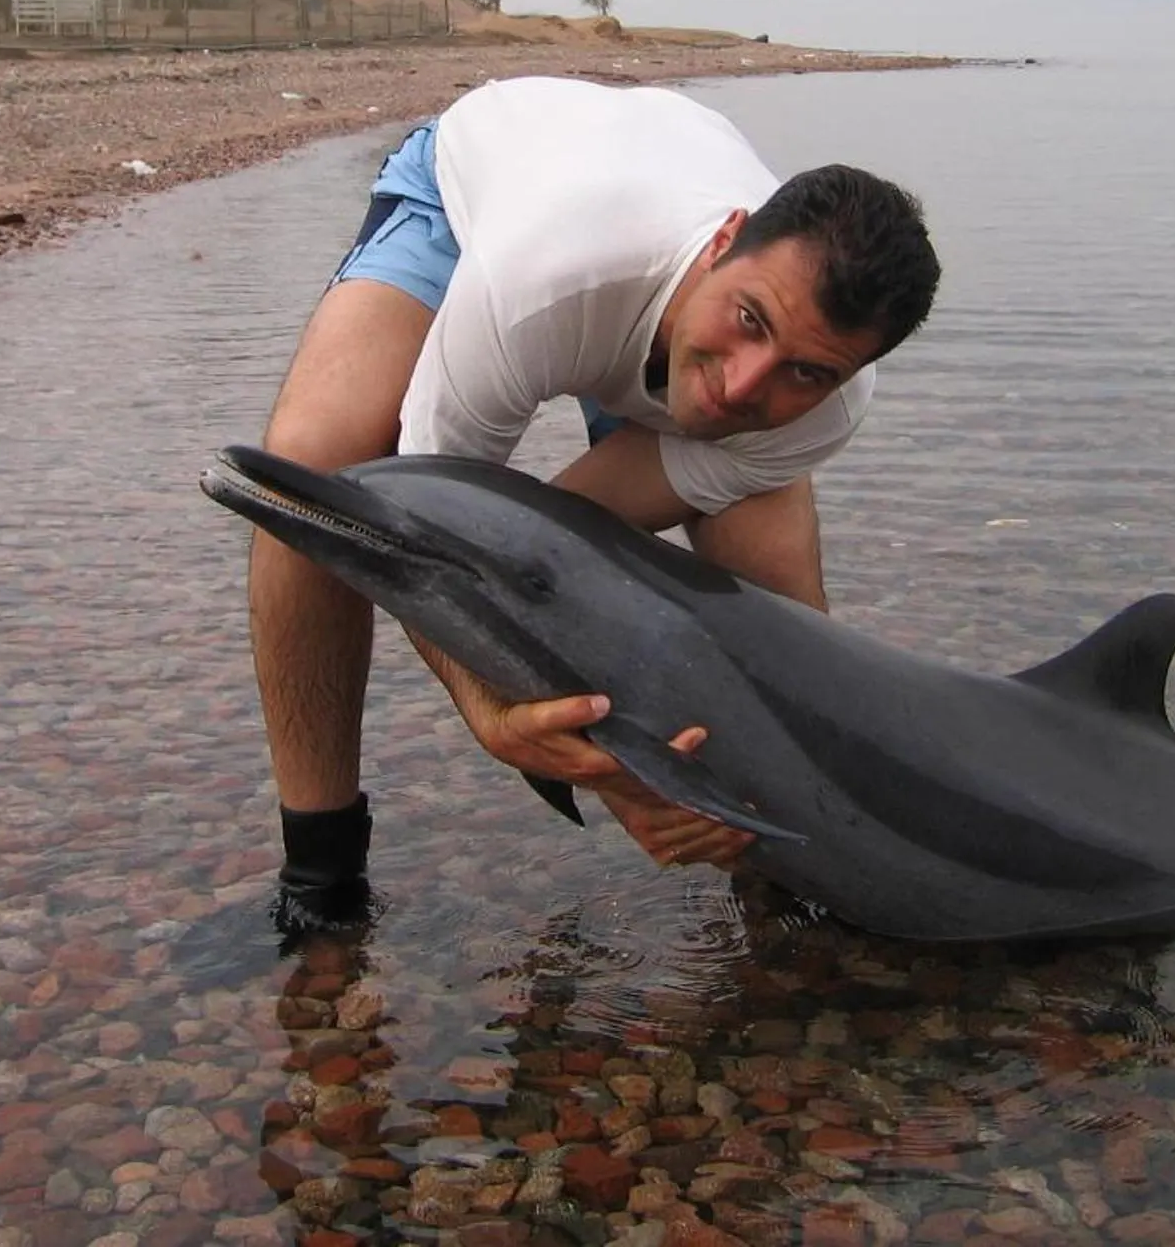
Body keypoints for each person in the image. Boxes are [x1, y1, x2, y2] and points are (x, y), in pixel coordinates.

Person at [247, 74, 939, 931]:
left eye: (806, 370)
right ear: (725, 242)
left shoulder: (823, 410)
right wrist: (494, 713)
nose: (742, 385)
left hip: (643, 225)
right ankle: (321, 877)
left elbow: (553, 558)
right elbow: (426, 533)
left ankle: (791, 865)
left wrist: (640, 774)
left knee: (784, 622)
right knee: (317, 476)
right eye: (750, 320)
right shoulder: (537, 279)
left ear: (847, 374)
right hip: (481, 202)